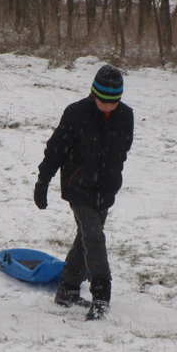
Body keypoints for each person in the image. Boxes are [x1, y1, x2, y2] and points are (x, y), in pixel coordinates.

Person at [34, 64, 134, 320]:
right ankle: (102, 294)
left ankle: (67, 289)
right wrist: (43, 181)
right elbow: (55, 149)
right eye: (103, 101)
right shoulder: (76, 113)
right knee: (94, 237)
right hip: (78, 187)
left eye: (114, 102)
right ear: (93, 93)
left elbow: (121, 153)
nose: (108, 106)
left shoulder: (126, 116)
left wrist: (111, 180)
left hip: (106, 189)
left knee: (86, 239)